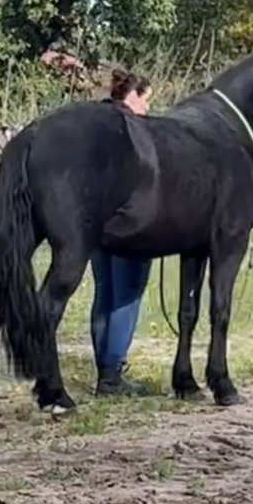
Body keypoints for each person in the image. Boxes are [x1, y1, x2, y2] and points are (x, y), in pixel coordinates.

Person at [90, 67, 154, 395]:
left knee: (104, 293)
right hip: (129, 224)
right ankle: (112, 374)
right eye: (147, 101)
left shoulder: (94, 126)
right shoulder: (133, 131)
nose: (148, 110)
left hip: (96, 224)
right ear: (134, 96)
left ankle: (103, 368)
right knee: (127, 295)